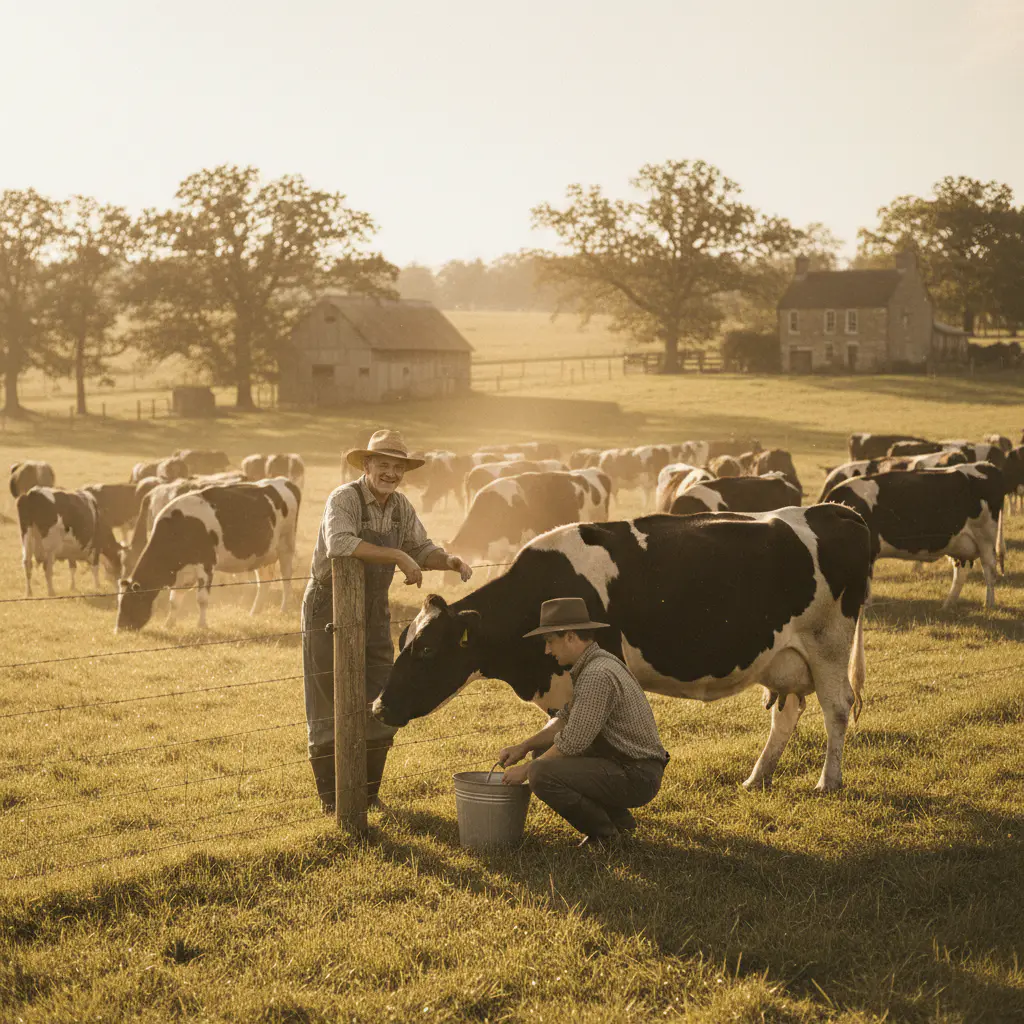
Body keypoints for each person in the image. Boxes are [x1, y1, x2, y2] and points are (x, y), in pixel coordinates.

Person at [303, 429, 473, 814]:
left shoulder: (400, 506)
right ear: (367, 465)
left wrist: (447, 561)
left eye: (398, 467)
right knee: (328, 702)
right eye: (384, 465)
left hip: (373, 610)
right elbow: (339, 543)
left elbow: (420, 548)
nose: (391, 473)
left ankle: (366, 794)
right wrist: (396, 555)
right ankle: (333, 803)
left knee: (382, 698)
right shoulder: (343, 499)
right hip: (327, 607)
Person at [497, 597, 669, 848]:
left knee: (541, 773)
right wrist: (522, 747)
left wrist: (526, 771)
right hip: (629, 765)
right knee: (542, 752)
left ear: (570, 637)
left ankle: (605, 837)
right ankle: (620, 821)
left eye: (549, 641)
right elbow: (565, 719)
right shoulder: (595, 665)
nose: (547, 650)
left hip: (637, 774)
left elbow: (573, 742)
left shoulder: (597, 675)